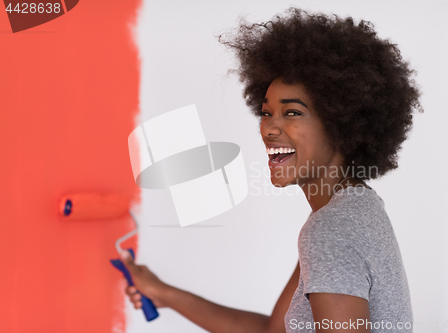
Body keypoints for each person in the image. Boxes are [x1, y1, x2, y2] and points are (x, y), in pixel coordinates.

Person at [120, 7, 422, 332]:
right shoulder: (355, 208)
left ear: (341, 124)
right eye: (266, 113)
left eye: (291, 113)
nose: (268, 129)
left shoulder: (330, 230)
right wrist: (164, 293)